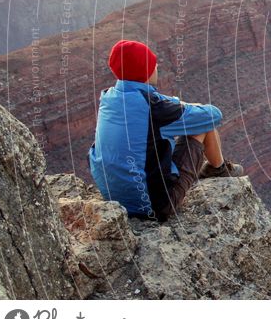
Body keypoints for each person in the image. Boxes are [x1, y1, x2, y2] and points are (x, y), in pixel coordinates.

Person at [88, 39, 245, 222]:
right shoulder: (155, 109)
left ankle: (215, 168)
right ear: (146, 71)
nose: (157, 68)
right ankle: (218, 170)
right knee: (203, 126)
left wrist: (180, 107)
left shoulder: (109, 97)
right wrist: (189, 107)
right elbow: (213, 115)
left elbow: (156, 104)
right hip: (153, 206)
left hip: (114, 198)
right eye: (153, 65)